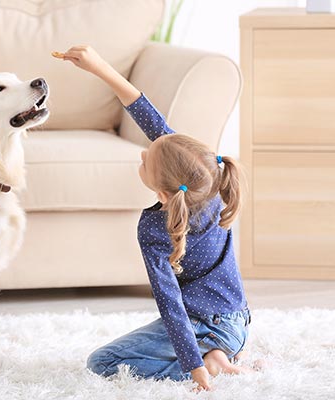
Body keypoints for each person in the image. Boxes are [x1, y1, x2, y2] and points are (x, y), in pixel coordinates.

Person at [54, 45, 256, 391]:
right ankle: (224, 351)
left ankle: (213, 361)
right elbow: (150, 119)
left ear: (163, 194)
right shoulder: (209, 184)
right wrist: (99, 66)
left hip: (201, 326)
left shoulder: (153, 229)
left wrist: (194, 368)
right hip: (239, 323)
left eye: (146, 161)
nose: (145, 152)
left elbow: (171, 305)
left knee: (102, 362)